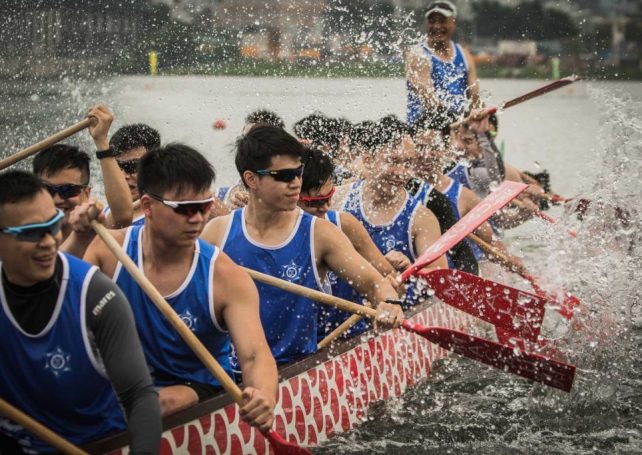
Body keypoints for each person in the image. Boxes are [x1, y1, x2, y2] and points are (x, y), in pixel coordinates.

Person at [81, 144, 278, 424]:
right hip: (123, 384)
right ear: (147, 206)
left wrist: (264, 397)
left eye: (204, 207)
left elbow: (255, 356)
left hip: (195, 385)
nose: (198, 219)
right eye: (185, 209)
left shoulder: (225, 276)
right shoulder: (110, 252)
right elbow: (56, 304)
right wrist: (77, 235)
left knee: (160, 402)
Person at [201, 125, 404, 364]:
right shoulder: (216, 233)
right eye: (285, 176)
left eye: (298, 172)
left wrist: (389, 303)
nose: (296, 183)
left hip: (295, 367)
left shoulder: (320, 234)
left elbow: (375, 284)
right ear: (251, 179)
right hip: (232, 372)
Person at [0, 171, 161, 454]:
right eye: (30, 233)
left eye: (52, 226)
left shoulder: (96, 294)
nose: (49, 241)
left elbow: (139, 396)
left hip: (98, 444)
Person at [337, 117, 448, 308]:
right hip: (342, 313)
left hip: (393, 317)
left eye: (408, 163)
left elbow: (440, 286)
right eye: (393, 161)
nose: (401, 172)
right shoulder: (337, 200)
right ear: (368, 160)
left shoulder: (422, 219)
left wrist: (409, 270)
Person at [298, 147, 403, 339]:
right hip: (299, 351)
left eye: (329, 198)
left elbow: (393, 282)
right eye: (315, 202)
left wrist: (388, 293)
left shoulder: (344, 224)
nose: (326, 207)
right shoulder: (270, 238)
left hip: (351, 338)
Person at [35, 105, 133, 257]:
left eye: (68, 190)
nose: (57, 199)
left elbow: (123, 217)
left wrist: (101, 141)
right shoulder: (15, 232)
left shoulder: (98, 229)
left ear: (86, 193)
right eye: (47, 190)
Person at [405, 0, 480, 125]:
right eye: (432, 21)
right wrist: (458, 118)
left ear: (453, 23)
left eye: (442, 21)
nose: (437, 26)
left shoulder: (465, 55)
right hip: (424, 130)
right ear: (426, 24)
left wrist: (481, 113)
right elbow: (428, 100)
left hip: (457, 127)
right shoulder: (418, 56)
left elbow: (475, 98)